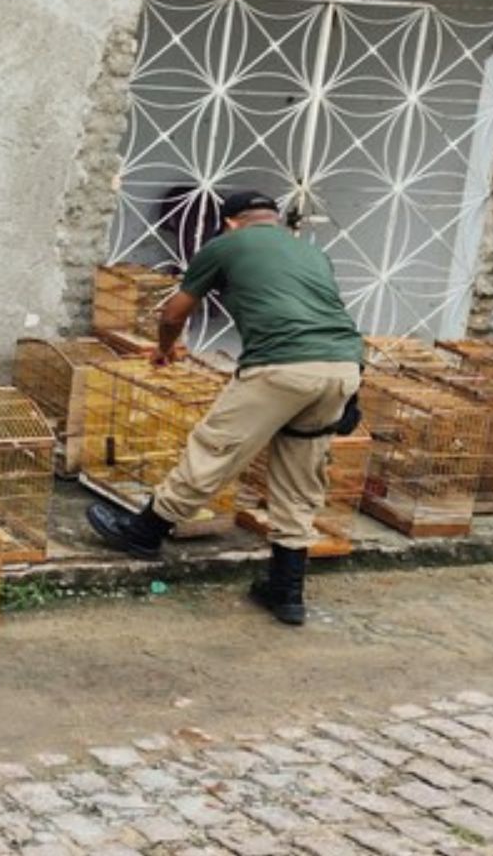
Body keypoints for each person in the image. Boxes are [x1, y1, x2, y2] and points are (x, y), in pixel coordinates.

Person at [86, 190, 363, 626]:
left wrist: (164, 350)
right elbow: (330, 317)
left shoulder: (226, 244)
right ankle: (287, 591)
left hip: (281, 366)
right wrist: (352, 394)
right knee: (301, 472)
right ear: (273, 219)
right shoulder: (311, 253)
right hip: (343, 369)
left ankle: (144, 531)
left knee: (216, 447)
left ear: (231, 222)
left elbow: (174, 313)